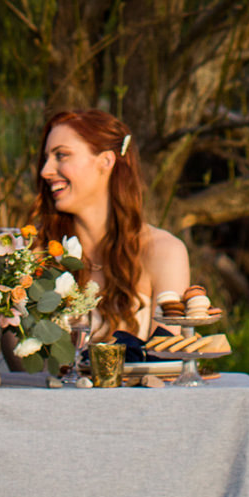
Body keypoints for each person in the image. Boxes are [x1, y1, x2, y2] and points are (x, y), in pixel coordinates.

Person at [36, 108, 191, 343]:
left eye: (61, 155)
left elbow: (166, 357)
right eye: (46, 158)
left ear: (106, 161)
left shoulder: (164, 252)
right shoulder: (39, 252)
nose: (45, 171)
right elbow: (20, 358)